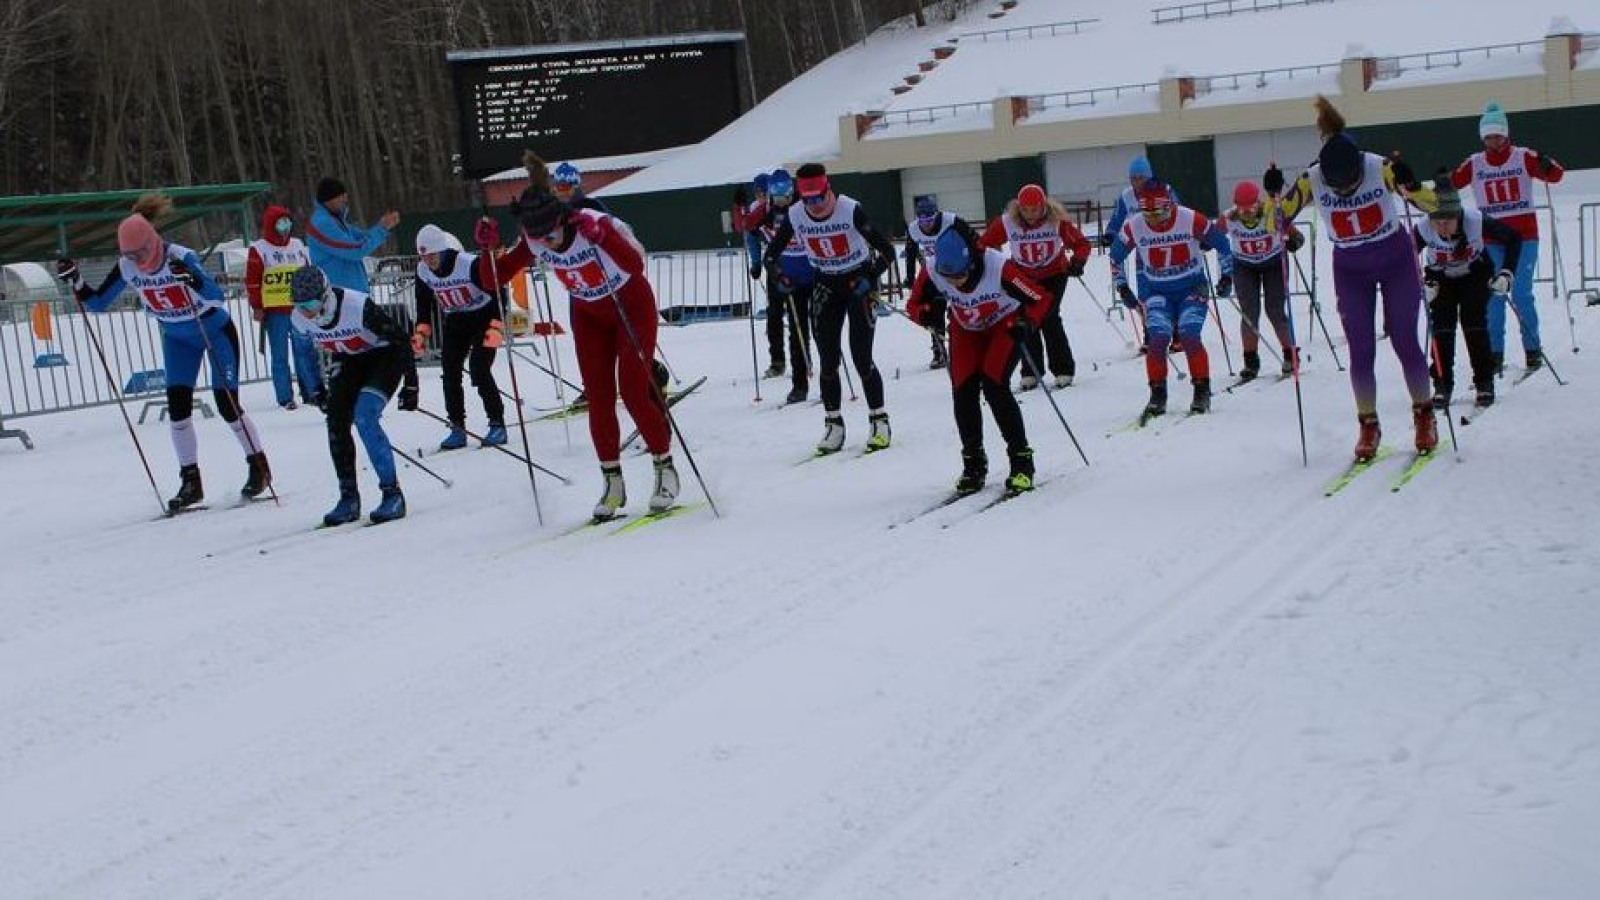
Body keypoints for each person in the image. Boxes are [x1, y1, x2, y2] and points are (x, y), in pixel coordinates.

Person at [482, 157, 679, 521]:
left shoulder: (597, 223)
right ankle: (612, 483)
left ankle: (665, 469)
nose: (547, 245)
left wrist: (601, 236)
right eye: (538, 238)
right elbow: (492, 279)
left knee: (634, 392)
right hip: (589, 315)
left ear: (562, 219)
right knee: (599, 398)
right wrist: (488, 250)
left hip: (629, 307)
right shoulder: (535, 236)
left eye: (552, 236)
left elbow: (636, 264)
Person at [56, 194, 271, 510]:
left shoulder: (178, 256)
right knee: (178, 407)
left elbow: (215, 296)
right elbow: (99, 303)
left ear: (153, 241)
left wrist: (192, 279)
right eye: (130, 254)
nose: (139, 260)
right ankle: (190, 481)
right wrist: (76, 281)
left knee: (226, 403)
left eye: (142, 252)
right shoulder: (127, 266)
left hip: (212, 330)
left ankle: (258, 465)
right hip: (177, 338)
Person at [1267, 95, 1435, 460]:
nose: (1343, 192)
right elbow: (1274, 222)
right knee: (1361, 348)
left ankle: (1424, 414)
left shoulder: (1379, 167)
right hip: (1351, 268)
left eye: (1350, 185)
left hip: (1395, 260)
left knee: (1405, 339)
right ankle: (1368, 424)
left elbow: (1433, 205)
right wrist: (1273, 195)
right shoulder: (1312, 179)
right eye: (1337, 187)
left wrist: (1412, 181)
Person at [760, 163, 899, 455]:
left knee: (862, 357)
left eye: (820, 198)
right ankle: (834, 424)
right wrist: (780, 277)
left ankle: (879, 419)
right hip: (825, 285)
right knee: (828, 361)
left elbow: (888, 250)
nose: (816, 205)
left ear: (829, 190)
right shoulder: (796, 215)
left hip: (857, 284)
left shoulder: (850, 209)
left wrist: (870, 276)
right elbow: (770, 257)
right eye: (808, 199)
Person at [907, 230, 1049, 495]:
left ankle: (1021, 461)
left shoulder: (998, 267)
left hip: (1003, 324)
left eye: (960, 276)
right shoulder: (932, 270)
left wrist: (1027, 323)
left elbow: (1040, 298)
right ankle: (973, 464)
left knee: (994, 385)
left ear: (972, 262)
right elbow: (913, 304)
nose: (956, 284)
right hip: (966, 328)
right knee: (963, 391)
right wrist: (925, 315)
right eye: (948, 279)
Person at [288, 266, 418, 525]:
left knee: (364, 416)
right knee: (335, 422)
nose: (306, 311)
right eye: (299, 304)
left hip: (383, 357)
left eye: (311, 303)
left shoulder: (356, 305)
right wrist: (316, 391)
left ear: (325, 296)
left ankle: (392, 493)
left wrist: (411, 385)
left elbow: (401, 339)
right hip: (349, 360)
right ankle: (348, 498)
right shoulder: (299, 318)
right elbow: (304, 355)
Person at [1449, 101, 1565, 375]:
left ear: (1506, 134)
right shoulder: (1476, 162)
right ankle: (1495, 353)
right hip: (1491, 239)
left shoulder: (1522, 156)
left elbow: (1557, 175)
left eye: (1498, 136)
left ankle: (1532, 350)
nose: (1494, 141)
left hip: (1524, 237)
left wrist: (1547, 163)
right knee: (1493, 295)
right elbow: (1451, 183)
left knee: (1522, 292)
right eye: (1488, 137)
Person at [1110, 180, 1233, 419]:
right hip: (1157, 292)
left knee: (1188, 334)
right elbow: (1115, 258)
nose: (1153, 219)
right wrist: (1123, 287)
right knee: (1158, 338)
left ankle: (1201, 390)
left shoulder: (1191, 219)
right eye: (1147, 213)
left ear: (1170, 206)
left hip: (1192, 287)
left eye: (1159, 212)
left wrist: (1226, 277)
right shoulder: (1134, 226)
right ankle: (1157, 394)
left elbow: (1223, 245)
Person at [1414, 174, 1522, 410]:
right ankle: (1442, 384)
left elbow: (1514, 238)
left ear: (1459, 215)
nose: (1442, 227)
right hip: (1440, 277)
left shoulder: (1476, 220)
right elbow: (1404, 257)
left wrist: (1506, 274)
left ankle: (1484, 382)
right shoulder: (1423, 227)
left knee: (1472, 321)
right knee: (1442, 326)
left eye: (1448, 221)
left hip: (1475, 272)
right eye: (1437, 221)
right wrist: (1420, 285)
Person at [978, 184, 1090, 389]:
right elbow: (983, 244)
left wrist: (1078, 261)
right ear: (1018, 208)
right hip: (1023, 277)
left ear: (1044, 206)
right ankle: (1031, 370)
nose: (1030, 215)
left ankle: (1063, 369)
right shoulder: (1007, 222)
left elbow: (1081, 243)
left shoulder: (1056, 221)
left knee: (1049, 318)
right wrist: (988, 265)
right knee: (1026, 320)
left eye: (1035, 209)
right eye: (1025, 210)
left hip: (1053, 274)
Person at [412, 223, 508, 450]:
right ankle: (457, 426)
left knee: (479, 368)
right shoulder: (423, 271)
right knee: (450, 371)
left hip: (484, 316)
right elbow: (424, 306)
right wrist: (420, 333)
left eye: (433, 256)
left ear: (443, 251)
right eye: (424, 257)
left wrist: (496, 328)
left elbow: (498, 293)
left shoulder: (468, 264)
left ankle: (497, 423)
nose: (429, 262)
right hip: (456, 320)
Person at [1216, 180, 1302, 380]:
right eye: (1242, 209)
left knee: (1275, 310)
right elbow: (1213, 237)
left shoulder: (1272, 212)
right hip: (1244, 266)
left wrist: (1294, 241)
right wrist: (1204, 243)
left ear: (1259, 202)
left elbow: (1296, 235)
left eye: (1251, 208)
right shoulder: (1228, 218)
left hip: (1273, 263)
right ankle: (1250, 361)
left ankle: (1291, 354)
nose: (1247, 213)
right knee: (1249, 313)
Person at [245, 204, 324, 409]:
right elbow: (253, 281)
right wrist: (257, 307)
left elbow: (309, 272)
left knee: (304, 352)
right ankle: (285, 397)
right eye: (280, 222)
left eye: (287, 221)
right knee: (280, 355)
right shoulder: (259, 249)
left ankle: (311, 392)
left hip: (301, 309)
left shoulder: (297, 245)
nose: (285, 226)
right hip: (275, 311)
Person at [759, 168, 817, 403]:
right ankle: (799, 385)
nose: (782, 200)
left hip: (814, 275)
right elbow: (749, 230)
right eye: (777, 195)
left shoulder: (802, 210)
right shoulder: (767, 213)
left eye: (786, 194)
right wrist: (773, 272)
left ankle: (826, 380)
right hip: (788, 278)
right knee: (796, 330)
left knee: (821, 328)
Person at [903, 193, 977, 370]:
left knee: (962, 307)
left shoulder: (951, 221)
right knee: (934, 309)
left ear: (936, 215)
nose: (926, 225)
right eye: (922, 221)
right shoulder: (913, 229)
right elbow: (910, 253)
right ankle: (939, 350)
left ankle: (971, 345)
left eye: (929, 220)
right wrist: (910, 277)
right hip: (933, 273)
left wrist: (974, 267)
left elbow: (973, 241)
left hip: (959, 270)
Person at [306, 176, 399, 293]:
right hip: (339, 295)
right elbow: (356, 250)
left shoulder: (336, 221)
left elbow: (362, 237)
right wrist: (381, 229)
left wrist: (383, 226)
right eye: (341, 196)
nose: (345, 200)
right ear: (329, 199)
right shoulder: (322, 224)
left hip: (350, 293)